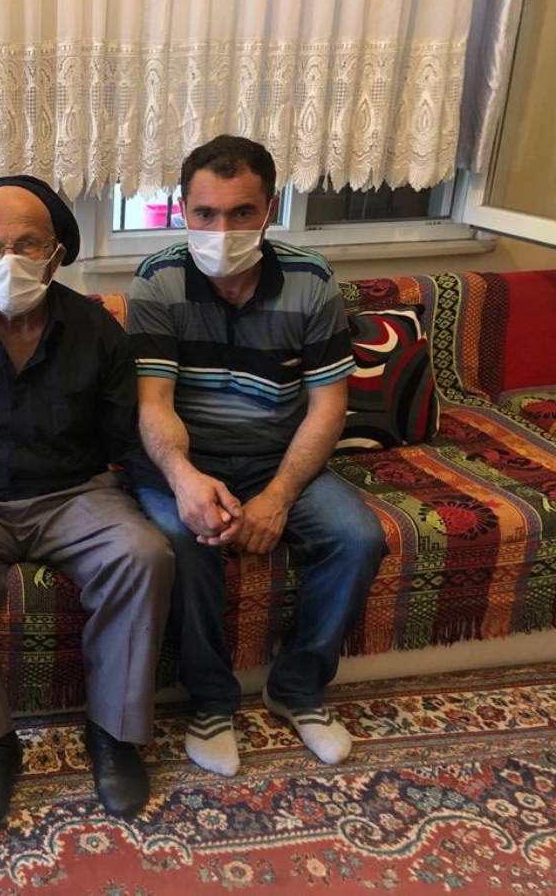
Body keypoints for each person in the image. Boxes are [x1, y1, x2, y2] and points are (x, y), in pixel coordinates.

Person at [0, 175, 174, 833]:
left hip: (73, 494)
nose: (7, 259)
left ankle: (114, 734)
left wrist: (178, 486)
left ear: (56, 253)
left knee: (145, 554)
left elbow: (124, 438)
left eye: (26, 244)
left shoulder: (96, 328)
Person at [128, 135, 387, 777]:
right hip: (188, 458)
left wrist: (276, 498)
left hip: (278, 457)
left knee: (358, 538)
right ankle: (211, 702)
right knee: (180, 544)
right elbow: (153, 402)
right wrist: (184, 480)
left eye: (242, 212)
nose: (222, 231)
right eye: (206, 213)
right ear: (182, 210)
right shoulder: (158, 280)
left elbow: (328, 409)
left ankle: (296, 689)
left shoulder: (311, 281)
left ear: (270, 209)